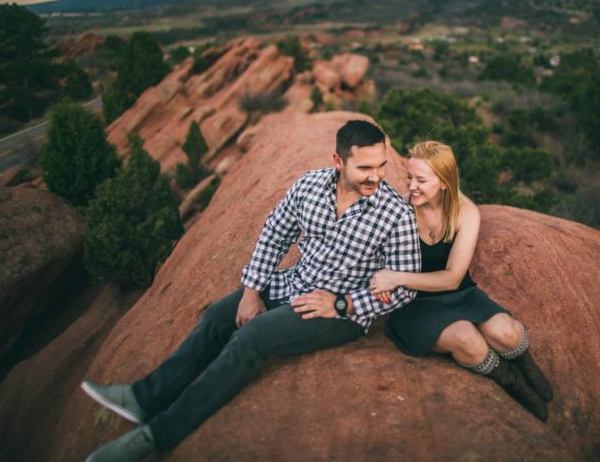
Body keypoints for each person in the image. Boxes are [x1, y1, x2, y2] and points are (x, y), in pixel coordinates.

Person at [81, 120, 421, 461]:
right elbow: (275, 233)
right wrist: (251, 291)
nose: (376, 177)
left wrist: (345, 304)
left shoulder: (395, 214)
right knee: (216, 317)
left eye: (381, 166)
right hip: (294, 281)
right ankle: (143, 399)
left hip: (335, 311)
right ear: (338, 161)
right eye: (365, 168)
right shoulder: (310, 186)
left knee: (250, 339)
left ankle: (156, 435)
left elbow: (405, 285)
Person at [369, 140, 553, 421]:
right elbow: (376, 261)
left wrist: (394, 277)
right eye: (409, 177)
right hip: (414, 303)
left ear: (444, 182)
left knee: (506, 334)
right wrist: (384, 281)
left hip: (459, 293)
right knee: (470, 341)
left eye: (421, 180)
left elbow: (453, 279)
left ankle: (524, 363)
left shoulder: (465, 212)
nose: (411, 186)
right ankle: (513, 383)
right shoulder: (399, 212)